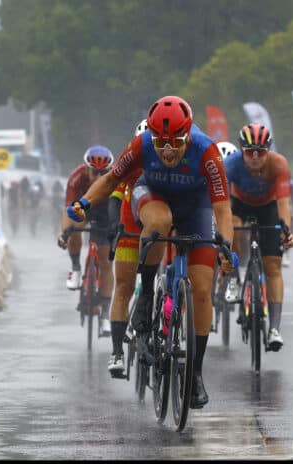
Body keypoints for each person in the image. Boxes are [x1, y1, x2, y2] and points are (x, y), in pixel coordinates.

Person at [67, 96, 234, 409]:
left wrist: (226, 245)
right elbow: (111, 179)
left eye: (176, 143)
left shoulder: (207, 151)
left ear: (188, 137)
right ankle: (145, 300)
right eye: (160, 143)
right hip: (152, 196)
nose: (168, 151)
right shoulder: (141, 144)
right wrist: (84, 203)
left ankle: (195, 374)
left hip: (195, 207)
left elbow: (222, 208)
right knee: (159, 221)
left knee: (201, 290)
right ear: (151, 138)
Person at [224, 123, 293, 351]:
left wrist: (286, 231)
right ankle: (234, 279)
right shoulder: (230, 165)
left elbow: (284, 204)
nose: (255, 157)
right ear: (241, 150)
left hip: (268, 207)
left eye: (261, 152)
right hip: (239, 205)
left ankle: (275, 328)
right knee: (232, 228)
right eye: (249, 152)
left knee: (273, 266)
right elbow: (222, 205)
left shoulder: (279, 164)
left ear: (268, 150)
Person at [57, 146, 115, 336]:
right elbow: (68, 210)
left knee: (106, 262)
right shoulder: (77, 177)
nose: (98, 177)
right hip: (82, 207)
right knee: (73, 225)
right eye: (94, 172)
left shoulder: (115, 178)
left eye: (103, 173)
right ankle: (75, 267)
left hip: (105, 213)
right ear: (86, 168)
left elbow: (119, 211)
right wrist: (64, 234)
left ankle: (105, 313)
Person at [107, 120, 146, 378]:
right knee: (123, 287)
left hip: (161, 228)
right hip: (130, 228)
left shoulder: (175, 160)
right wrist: (114, 227)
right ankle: (117, 352)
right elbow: (115, 196)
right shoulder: (129, 158)